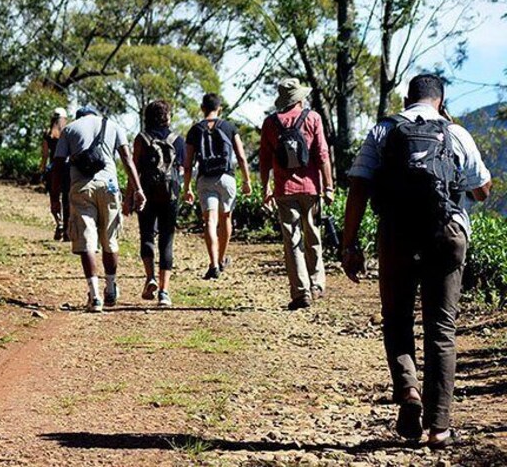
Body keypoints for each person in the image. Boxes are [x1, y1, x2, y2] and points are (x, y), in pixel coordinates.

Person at [342, 74, 492, 448]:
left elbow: (358, 185)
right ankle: (439, 427)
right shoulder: (456, 133)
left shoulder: (383, 131)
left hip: (396, 234)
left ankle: (408, 390)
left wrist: (349, 244)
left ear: (406, 98)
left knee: (397, 318)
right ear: (440, 100)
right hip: (447, 232)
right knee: (441, 328)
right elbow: (483, 190)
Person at [53, 106, 147, 313]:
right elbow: (127, 160)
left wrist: (54, 199)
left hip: (81, 188)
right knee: (110, 239)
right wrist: (138, 190)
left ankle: (95, 296)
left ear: (79, 117)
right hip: (110, 186)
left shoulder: (69, 129)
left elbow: (58, 165)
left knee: (87, 241)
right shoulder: (113, 126)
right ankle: (111, 286)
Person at [259, 78, 334, 310]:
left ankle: (301, 291)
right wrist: (328, 187)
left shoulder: (270, 123)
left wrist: (265, 188)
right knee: (313, 235)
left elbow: (264, 160)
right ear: (300, 98)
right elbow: (322, 155)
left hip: (284, 189)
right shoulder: (313, 118)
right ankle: (316, 284)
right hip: (311, 188)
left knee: (292, 241)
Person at [183, 93, 252, 280]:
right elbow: (241, 156)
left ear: (202, 108)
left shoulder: (195, 130)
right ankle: (221, 259)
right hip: (227, 178)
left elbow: (187, 164)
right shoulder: (229, 127)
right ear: (219, 108)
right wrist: (247, 180)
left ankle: (213, 264)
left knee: (209, 221)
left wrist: (187, 187)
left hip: (206, 180)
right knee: (226, 217)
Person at [125, 100, 186, 307]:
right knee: (167, 240)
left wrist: (128, 197)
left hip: (146, 192)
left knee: (147, 235)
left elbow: (133, 170)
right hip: (170, 195)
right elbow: (183, 170)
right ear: (167, 117)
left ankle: (150, 277)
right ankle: (164, 292)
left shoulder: (141, 139)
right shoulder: (177, 140)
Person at [39, 107, 70, 241]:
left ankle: (59, 223)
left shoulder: (48, 134)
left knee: (54, 199)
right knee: (67, 200)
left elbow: (45, 155)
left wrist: (41, 170)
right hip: (67, 169)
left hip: (53, 170)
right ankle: (68, 230)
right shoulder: (68, 132)